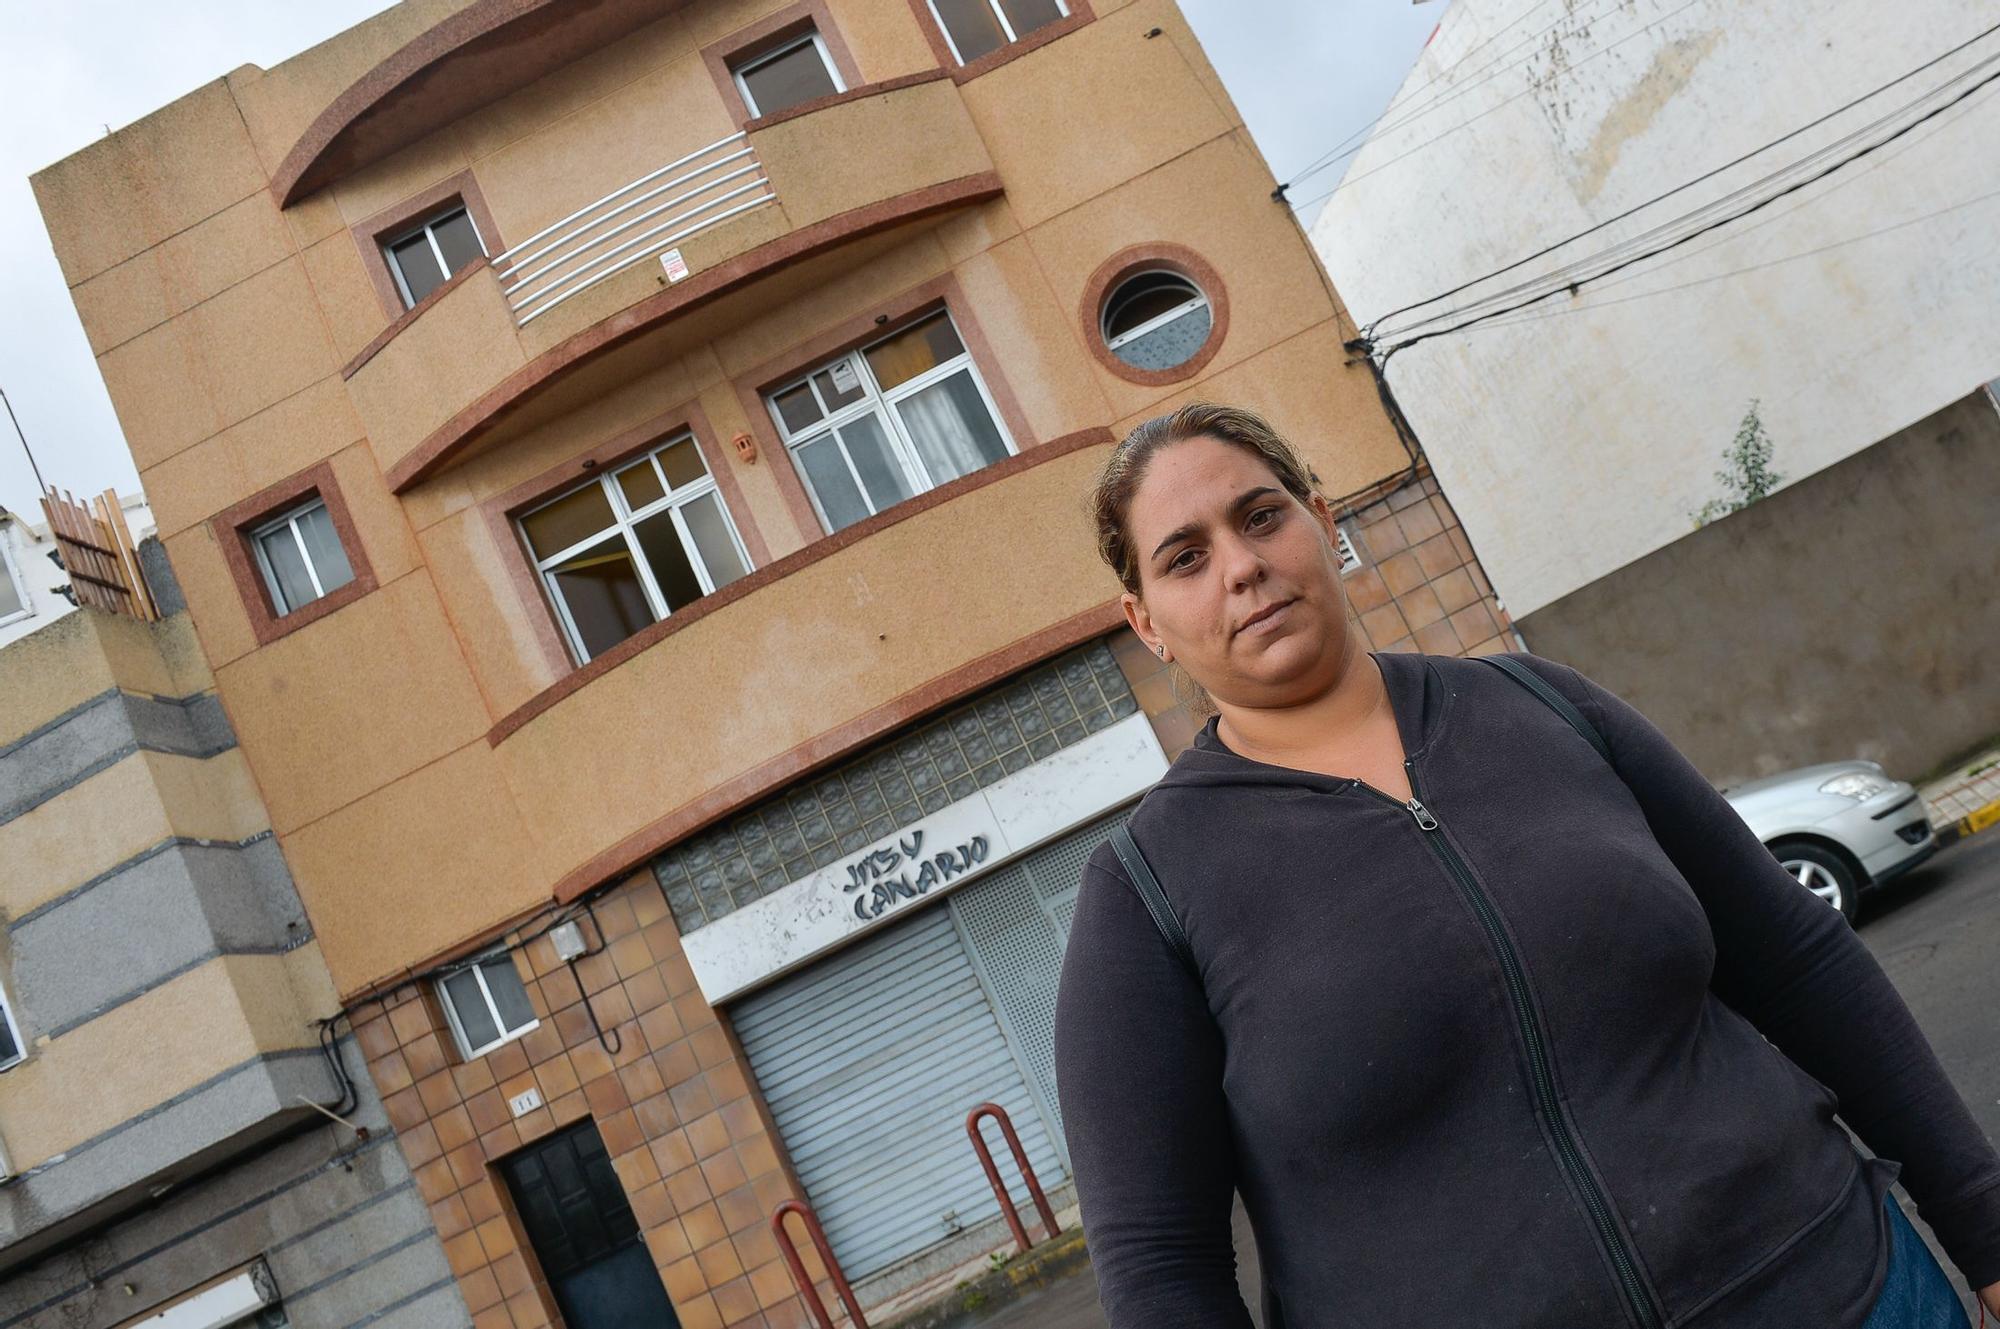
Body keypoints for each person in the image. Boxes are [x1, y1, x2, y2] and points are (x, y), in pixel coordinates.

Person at [1051, 402, 2000, 1327]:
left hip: (1848, 1287)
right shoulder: (1147, 892)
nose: (1243, 566)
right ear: (1148, 622)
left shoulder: (1544, 706)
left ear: (1323, 520)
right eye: (1187, 556)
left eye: (1262, 515)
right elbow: (1160, 1265)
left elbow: (1804, 966)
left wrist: (1987, 1229)